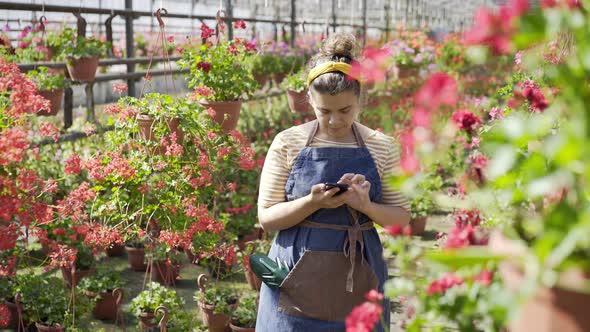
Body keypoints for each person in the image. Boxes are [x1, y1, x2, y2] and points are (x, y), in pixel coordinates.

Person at [256, 33, 411, 331]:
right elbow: (267, 218)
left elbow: (401, 218)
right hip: (293, 278)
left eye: (345, 111)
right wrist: (311, 202)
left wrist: (366, 205)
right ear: (309, 101)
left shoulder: (382, 146)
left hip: (359, 275)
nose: (335, 121)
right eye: (324, 111)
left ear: (360, 100)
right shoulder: (288, 143)